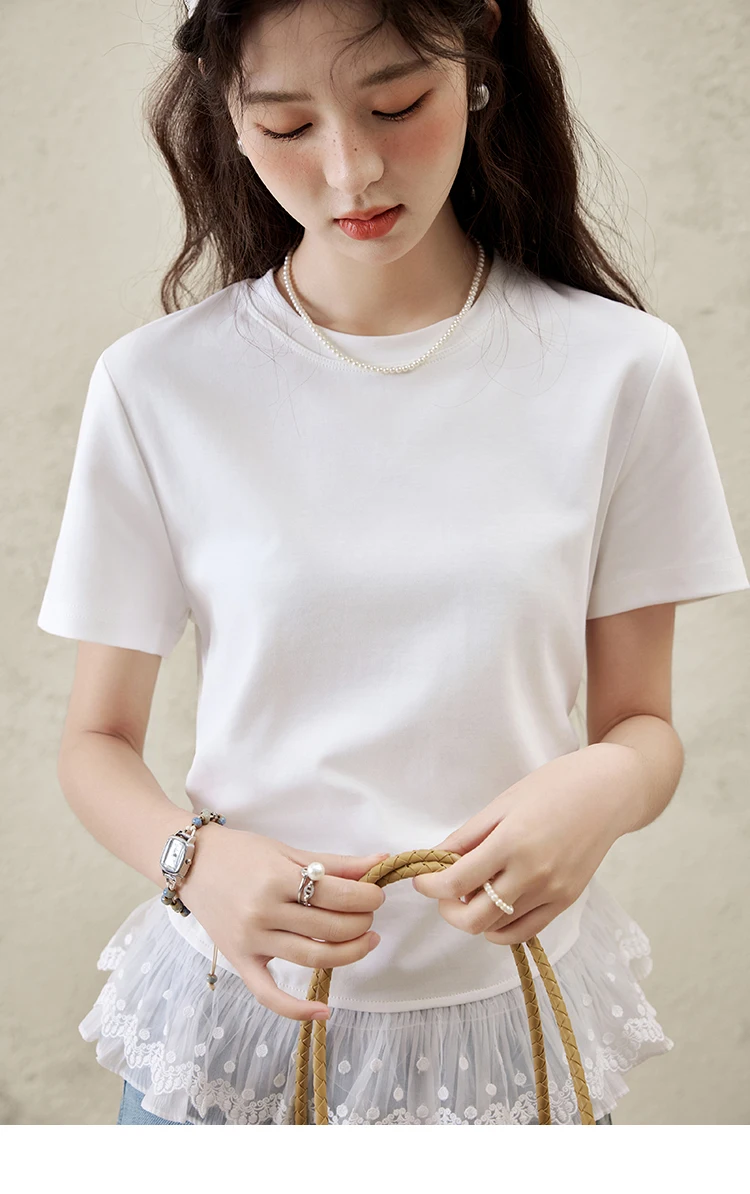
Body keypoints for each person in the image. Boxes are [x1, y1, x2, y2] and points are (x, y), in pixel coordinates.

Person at [37, 0, 748, 1127]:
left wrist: (603, 792)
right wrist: (196, 864)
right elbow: (95, 743)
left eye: (397, 105)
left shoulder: (621, 370)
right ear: (229, 117)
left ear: (477, 67)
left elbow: (643, 728)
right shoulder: (156, 386)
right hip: (234, 1028)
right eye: (287, 126)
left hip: (507, 1029)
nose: (350, 171)